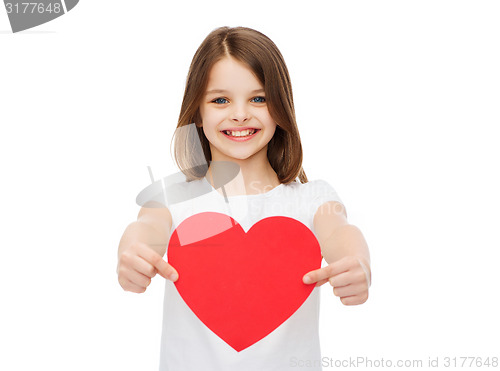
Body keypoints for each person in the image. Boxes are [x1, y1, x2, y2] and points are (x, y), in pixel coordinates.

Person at [117, 26, 371, 370]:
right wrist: (133, 254)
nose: (239, 114)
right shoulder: (173, 198)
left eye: (259, 98)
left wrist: (358, 264)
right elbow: (146, 227)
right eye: (220, 99)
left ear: (281, 108)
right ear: (197, 112)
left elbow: (341, 232)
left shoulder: (312, 199)